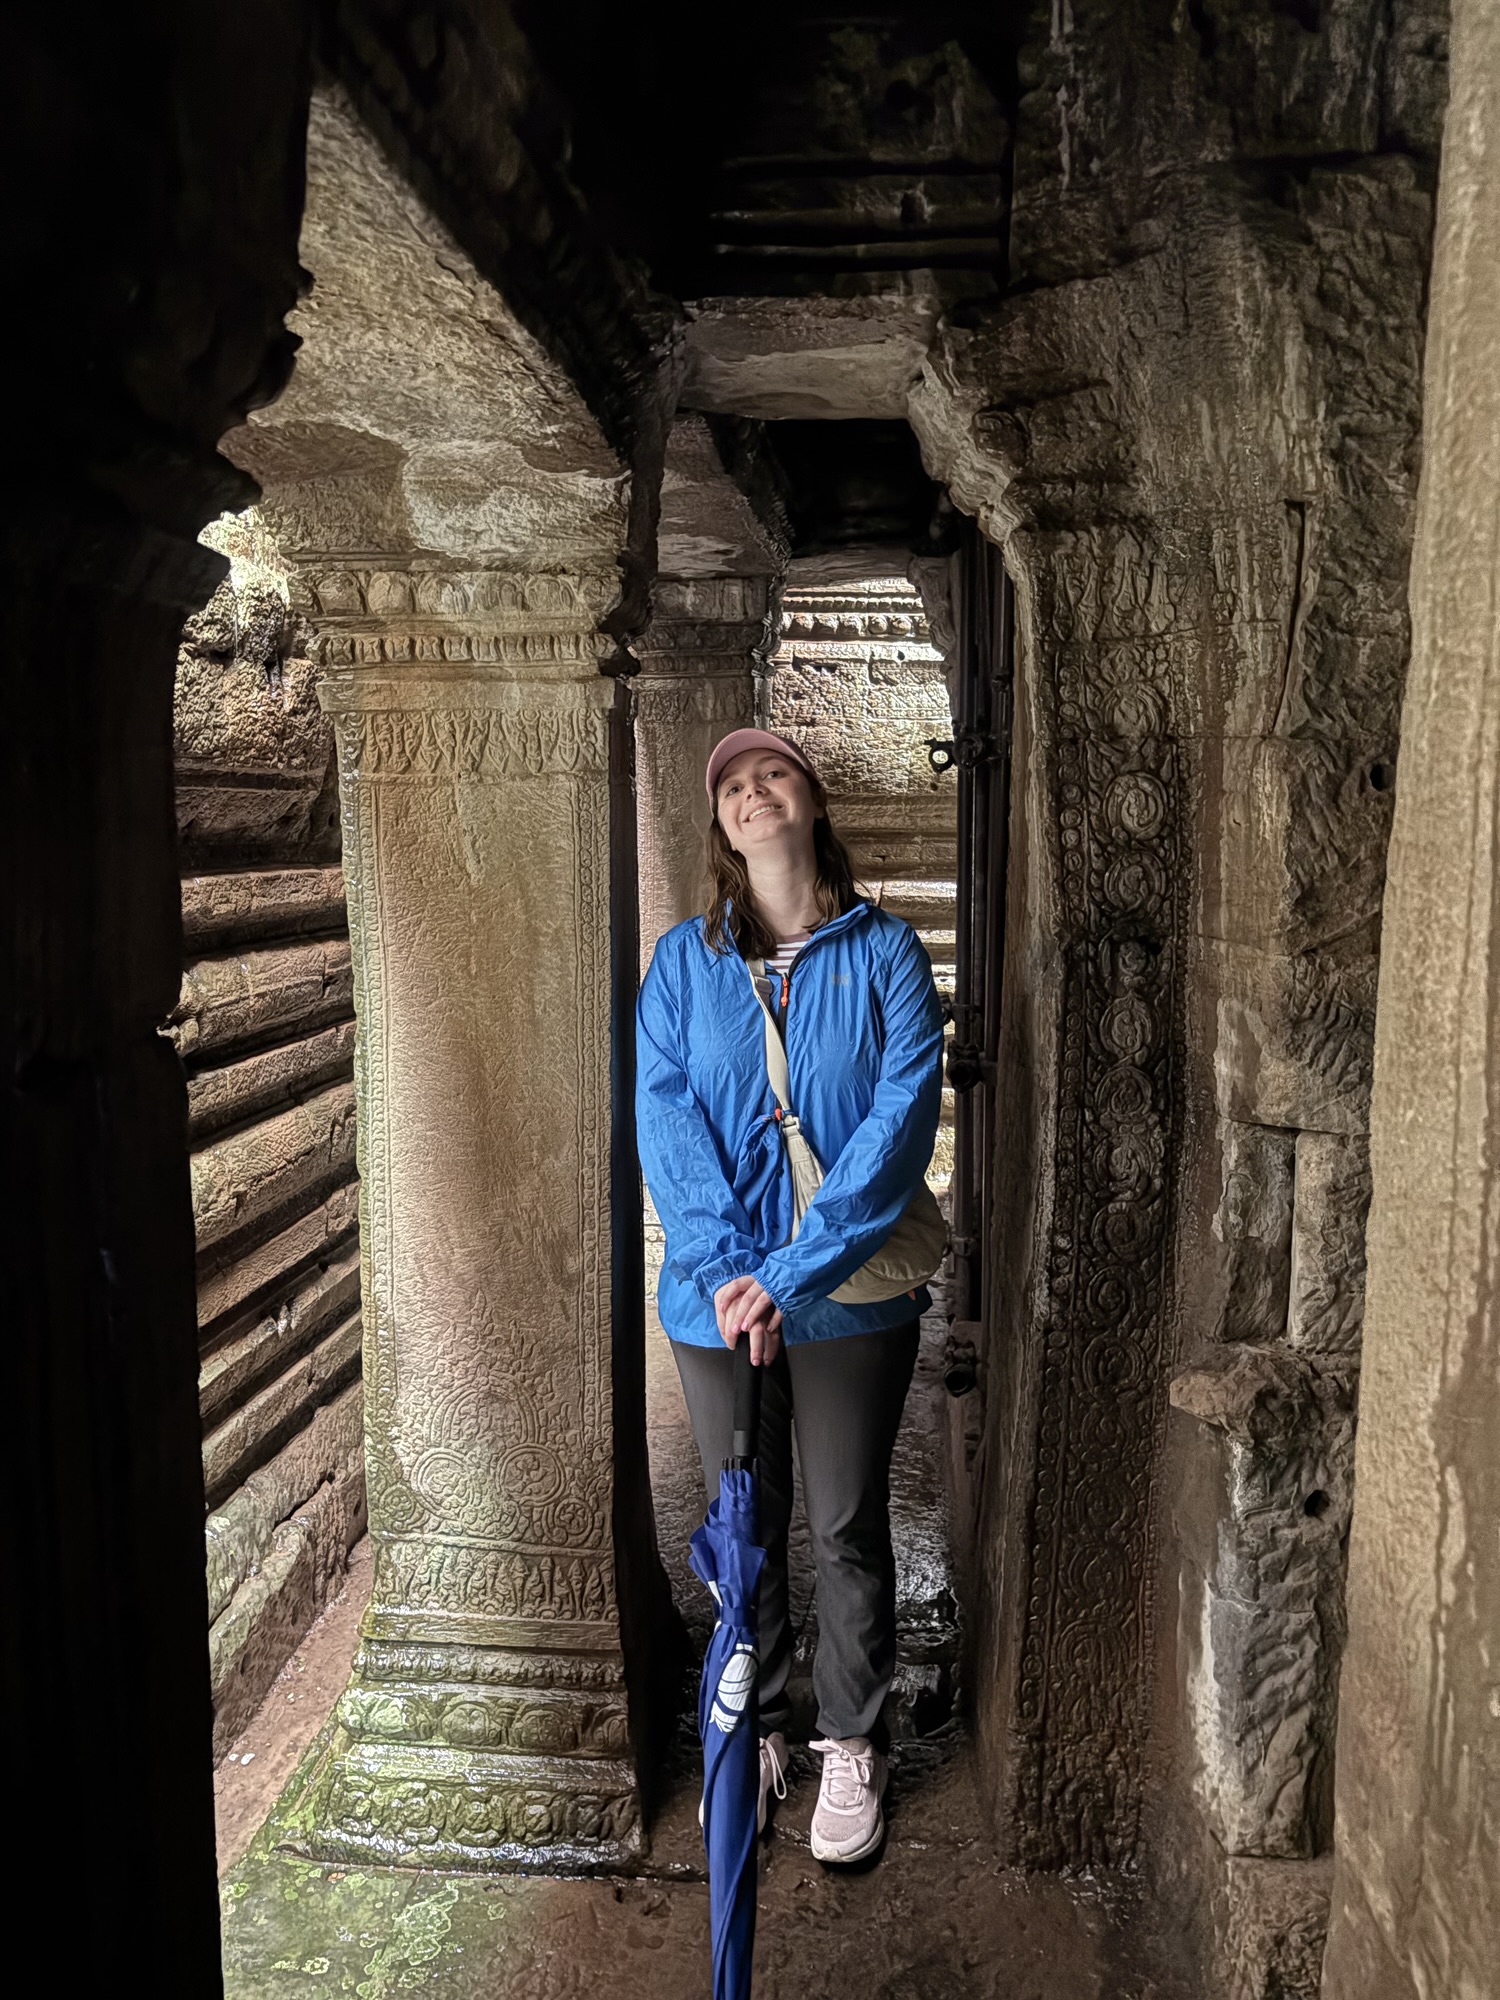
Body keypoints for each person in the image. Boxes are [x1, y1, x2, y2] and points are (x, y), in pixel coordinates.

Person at [636, 726, 945, 1865]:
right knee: (745, 1521)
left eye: (772, 773)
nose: (751, 791)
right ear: (720, 822)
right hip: (718, 1301)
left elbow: (898, 1124)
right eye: (731, 783)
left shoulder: (887, 953)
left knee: (848, 1521)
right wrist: (730, 1268)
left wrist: (790, 1273)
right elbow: (667, 1115)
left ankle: (853, 1737)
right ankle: (761, 1721)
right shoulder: (682, 964)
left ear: (811, 800)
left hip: (849, 1292)